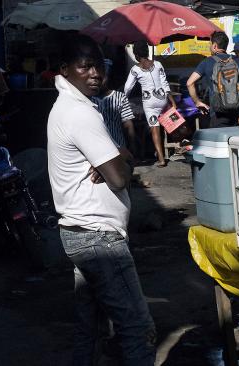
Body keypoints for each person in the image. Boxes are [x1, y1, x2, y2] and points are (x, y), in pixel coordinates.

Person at [47, 34, 156, 365]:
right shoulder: (80, 113)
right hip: (98, 239)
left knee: (89, 330)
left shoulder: (71, 106)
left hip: (81, 233)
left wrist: (114, 159)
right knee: (138, 330)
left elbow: (115, 166)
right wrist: (120, 156)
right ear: (65, 70)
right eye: (85, 66)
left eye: (98, 66)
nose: (95, 74)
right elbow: (121, 176)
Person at [124, 40, 176, 167]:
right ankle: (171, 149)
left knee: (154, 129)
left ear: (136, 55)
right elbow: (165, 84)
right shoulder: (158, 64)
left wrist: (123, 99)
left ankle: (161, 158)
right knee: (168, 123)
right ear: (147, 52)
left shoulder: (135, 70)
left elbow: (127, 88)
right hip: (162, 100)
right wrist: (172, 102)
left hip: (150, 104)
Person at [186, 31, 239, 128]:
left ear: (214, 46)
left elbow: (189, 83)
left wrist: (197, 102)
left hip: (218, 114)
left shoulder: (207, 62)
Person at [93, 76, 136, 158]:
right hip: (96, 149)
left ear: (106, 78)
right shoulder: (88, 98)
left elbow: (128, 124)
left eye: (101, 78)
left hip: (118, 147)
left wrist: (132, 144)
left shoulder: (120, 97)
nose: (98, 82)